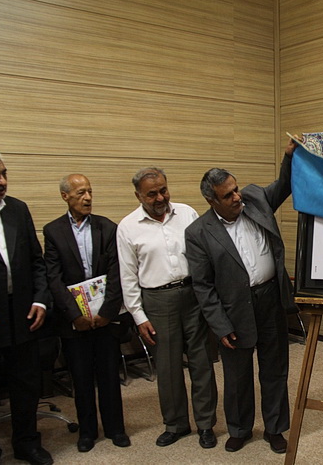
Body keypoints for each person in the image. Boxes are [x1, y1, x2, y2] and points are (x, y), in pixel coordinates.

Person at [185, 138, 298, 454]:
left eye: (235, 189)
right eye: (228, 195)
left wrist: (288, 157)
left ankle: (275, 428)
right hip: (233, 309)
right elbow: (203, 286)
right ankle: (239, 429)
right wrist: (220, 325)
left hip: (270, 299)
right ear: (211, 200)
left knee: (274, 369)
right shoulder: (198, 233)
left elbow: (284, 185)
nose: (237, 197)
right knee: (237, 376)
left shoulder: (256, 198)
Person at [116, 167, 218, 449]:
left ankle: (206, 424)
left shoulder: (187, 213)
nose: (160, 197)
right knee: (168, 367)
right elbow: (128, 276)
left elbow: (205, 255)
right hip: (157, 301)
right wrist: (138, 316)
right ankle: (176, 425)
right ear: (138, 196)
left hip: (193, 295)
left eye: (163, 190)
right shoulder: (128, 227)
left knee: (201, 364)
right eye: (152, 194)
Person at [0, 146, 53, 465]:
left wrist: (40, 299)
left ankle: (27, 443)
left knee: (26, 385)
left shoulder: (18, 209)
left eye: (4, 174)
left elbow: (37, 261)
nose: (3, 182)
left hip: (22, 314)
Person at [42, 174, 130, 453]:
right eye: (80, 192)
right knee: (80, 378)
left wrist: (107, 312)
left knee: (109, 375)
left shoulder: (107, 227)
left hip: (105, 317)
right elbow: (53, 278)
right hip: (74, 322)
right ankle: (87, 432)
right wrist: (74, 316)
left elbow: (116, 273)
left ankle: (116, 429)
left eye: (90, 191)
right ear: (65, 196)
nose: (88, 197)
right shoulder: (53, 231)